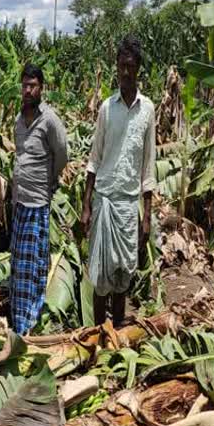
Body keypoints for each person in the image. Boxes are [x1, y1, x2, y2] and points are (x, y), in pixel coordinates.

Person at [81, 35, 156, 327]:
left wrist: (146, 215)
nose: (125, 72)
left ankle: (118, 333)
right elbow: (94, 159)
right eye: (120, 66)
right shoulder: (106, 108)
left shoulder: (147, 110)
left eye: (130, 66)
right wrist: (86, 205)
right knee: (100, 276)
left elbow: (148, 167)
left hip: (127, 204)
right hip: (104, 201)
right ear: (116, 67)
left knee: (123, 274)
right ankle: (99, 333)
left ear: (137, 68)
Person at [9, 63, 68, 335]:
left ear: (41, 88)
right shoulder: (19, 120)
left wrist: (50, 182)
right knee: (19, 263)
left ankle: (29, 321)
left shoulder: (50, 120)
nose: (28, 90)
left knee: (33, 266)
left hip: (37, 202)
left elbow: (62, 155)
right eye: (25, 85)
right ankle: (17, 319)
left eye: (33, 85)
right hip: (20, 201)